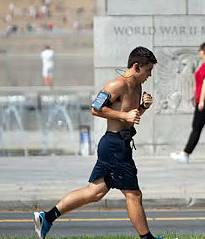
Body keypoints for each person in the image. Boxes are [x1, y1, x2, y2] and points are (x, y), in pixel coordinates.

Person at [33, 46, 158, 239]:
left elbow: (129, 118)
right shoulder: (116, 85)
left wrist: (142, 107)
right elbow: (95, 108)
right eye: (148, 71)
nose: (149, 76)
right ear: (136, 66)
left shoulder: (138, 86)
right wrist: (125, 114)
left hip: (119, 144)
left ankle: (47, 217)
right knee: (133, 195)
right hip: (114, 145)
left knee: (95, 192)